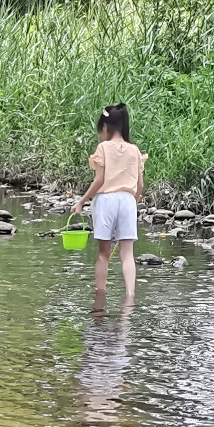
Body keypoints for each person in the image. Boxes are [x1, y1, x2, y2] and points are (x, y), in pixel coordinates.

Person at [73, 103, 143, 309]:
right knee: (127, 255)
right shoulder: (135, 150)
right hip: (128, 201)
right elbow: (140, 186)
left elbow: (99, 180)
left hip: (106, 201)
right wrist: (134, 200)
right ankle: (130, 299)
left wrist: (81, 201)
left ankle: (100, 298)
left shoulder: (103, 148)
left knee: (103, 254)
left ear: (105, 127)